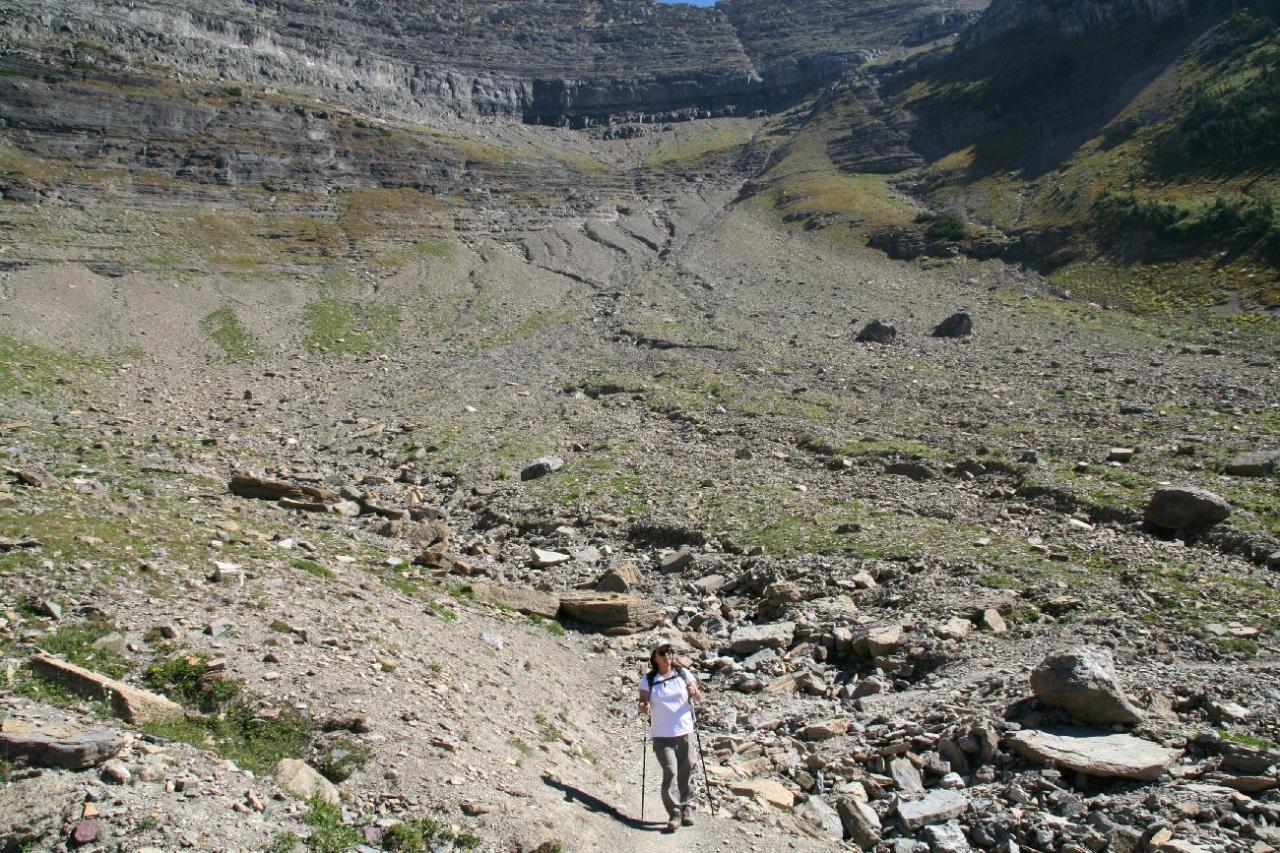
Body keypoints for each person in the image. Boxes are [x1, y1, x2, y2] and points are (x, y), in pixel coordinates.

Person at [637, 642, 703, 831]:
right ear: (655, 657)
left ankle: (687, 807)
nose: (667, 655)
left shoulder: (683, 674)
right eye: (662, 652)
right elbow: (642, 702)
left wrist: (694, 692)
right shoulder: (649, 679)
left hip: (684, 731)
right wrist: (643, 707)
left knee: (687, 769)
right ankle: (674, 812)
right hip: (662, 735)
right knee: (671, 771)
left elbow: (697, 696)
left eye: (669, 651)